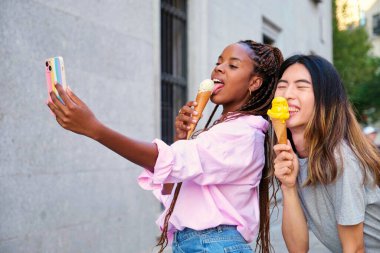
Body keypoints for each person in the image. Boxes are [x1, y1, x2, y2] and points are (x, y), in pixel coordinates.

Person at [47, 40, 283, 253]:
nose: (219, 68)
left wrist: (95, 129)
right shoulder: (224, 130)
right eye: (218, 62)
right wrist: (181, 140)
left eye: (233, 66)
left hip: (213, 245)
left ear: (254, 82)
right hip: (199, 243)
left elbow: (165, 160)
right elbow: (172, 190)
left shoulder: (241, 132)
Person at [273, 55, 380, 253]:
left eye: (301, 86)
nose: (287, 94)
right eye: (282, 86)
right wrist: (288, 186)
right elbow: (298, 248)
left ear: (325, 99)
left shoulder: (340, 159)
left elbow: (354, 249)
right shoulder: (299, 159)